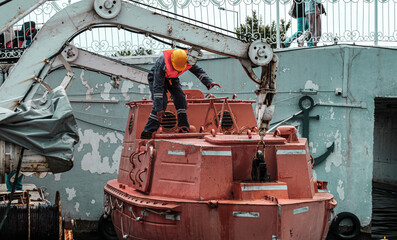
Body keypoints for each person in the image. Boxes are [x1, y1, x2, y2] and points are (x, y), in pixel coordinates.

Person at [140, 49, 221, 139]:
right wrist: (159, 109)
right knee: (161, 103)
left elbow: (198, 71)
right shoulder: (162, 63)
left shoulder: (188, 59)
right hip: (156, 78)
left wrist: (209, 82)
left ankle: (183, 126)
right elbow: (158, 87)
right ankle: (148, 131)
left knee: (181, 99)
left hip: (172, 78)